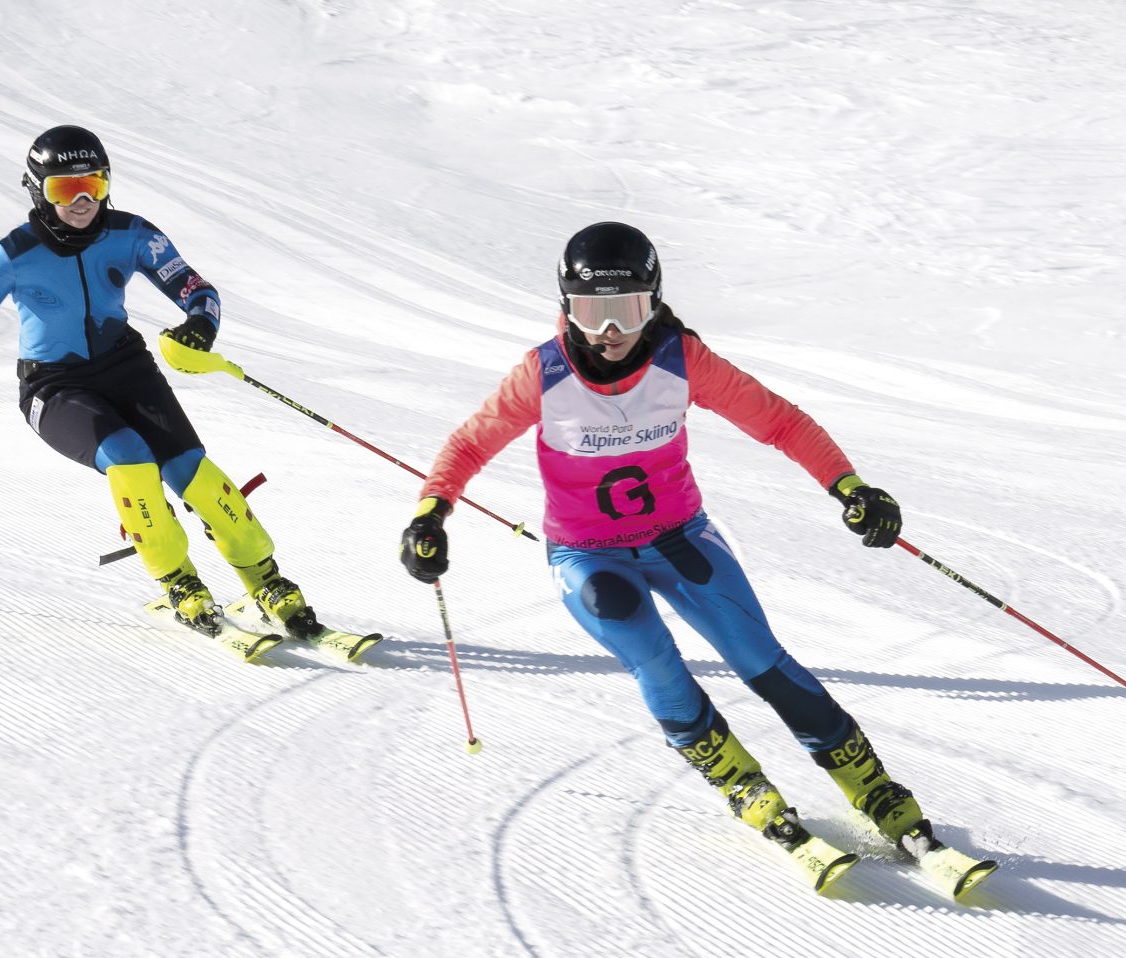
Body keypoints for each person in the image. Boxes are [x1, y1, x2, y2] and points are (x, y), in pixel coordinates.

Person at [400, 221, 942, 862]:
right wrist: (430, 515)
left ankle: (873, 788)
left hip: (680, 538)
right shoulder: (541, 376)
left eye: (627, 312)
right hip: (588, 556)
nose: (609, 333)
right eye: (591, 312)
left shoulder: (682, 361)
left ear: (652, 303)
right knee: (653, 657)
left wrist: (849, 486)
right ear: (565, 306)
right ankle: (740, 782)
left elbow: (780, 422)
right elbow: (469, 443)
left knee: (759, 657)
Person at [0, 125, 323, 639]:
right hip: (53, 387)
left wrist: (199, 325)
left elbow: (197, 288)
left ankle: (266, 579)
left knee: (193, 471)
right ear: (37, 189)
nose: (82, 200)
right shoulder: (12, 255)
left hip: (126, 367)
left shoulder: (133, 235)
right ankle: (178, 579)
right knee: (130, 457)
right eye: (64, 188)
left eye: (94, 185)